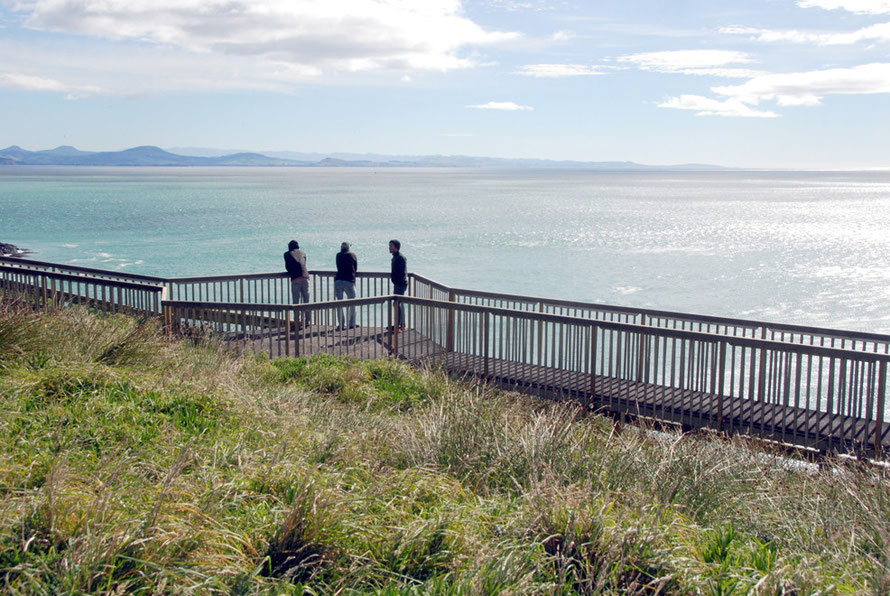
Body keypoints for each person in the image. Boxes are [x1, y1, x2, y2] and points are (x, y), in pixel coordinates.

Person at [284, 239, 310, 326]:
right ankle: (308, 321)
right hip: (305, 276)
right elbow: (304, 263)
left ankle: (297, 322)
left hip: (295, 278)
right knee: (307, 300)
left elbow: (287, 267)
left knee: (296, 301)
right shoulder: (303, 252)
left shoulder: (287, 254)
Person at [335, 241, 358, 329]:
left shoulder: (338, 255)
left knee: (339, 303)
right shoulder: (353, 255)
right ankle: (351, 323)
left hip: (339, 280)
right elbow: (355, 268)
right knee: (353, 302)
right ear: (348, 247)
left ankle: (341, 324)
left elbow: (337, 266)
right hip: (349, 281)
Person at [389, 239, 407, 331]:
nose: (389, 248)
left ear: (396, 247)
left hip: (400, 284)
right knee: (398, 304)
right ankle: (401, 324)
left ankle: (399, 325)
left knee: (397, 304)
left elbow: (401, 272)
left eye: (391, 246)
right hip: (398, 284)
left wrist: (398, 283)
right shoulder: (395, 257)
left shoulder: (400, 257)